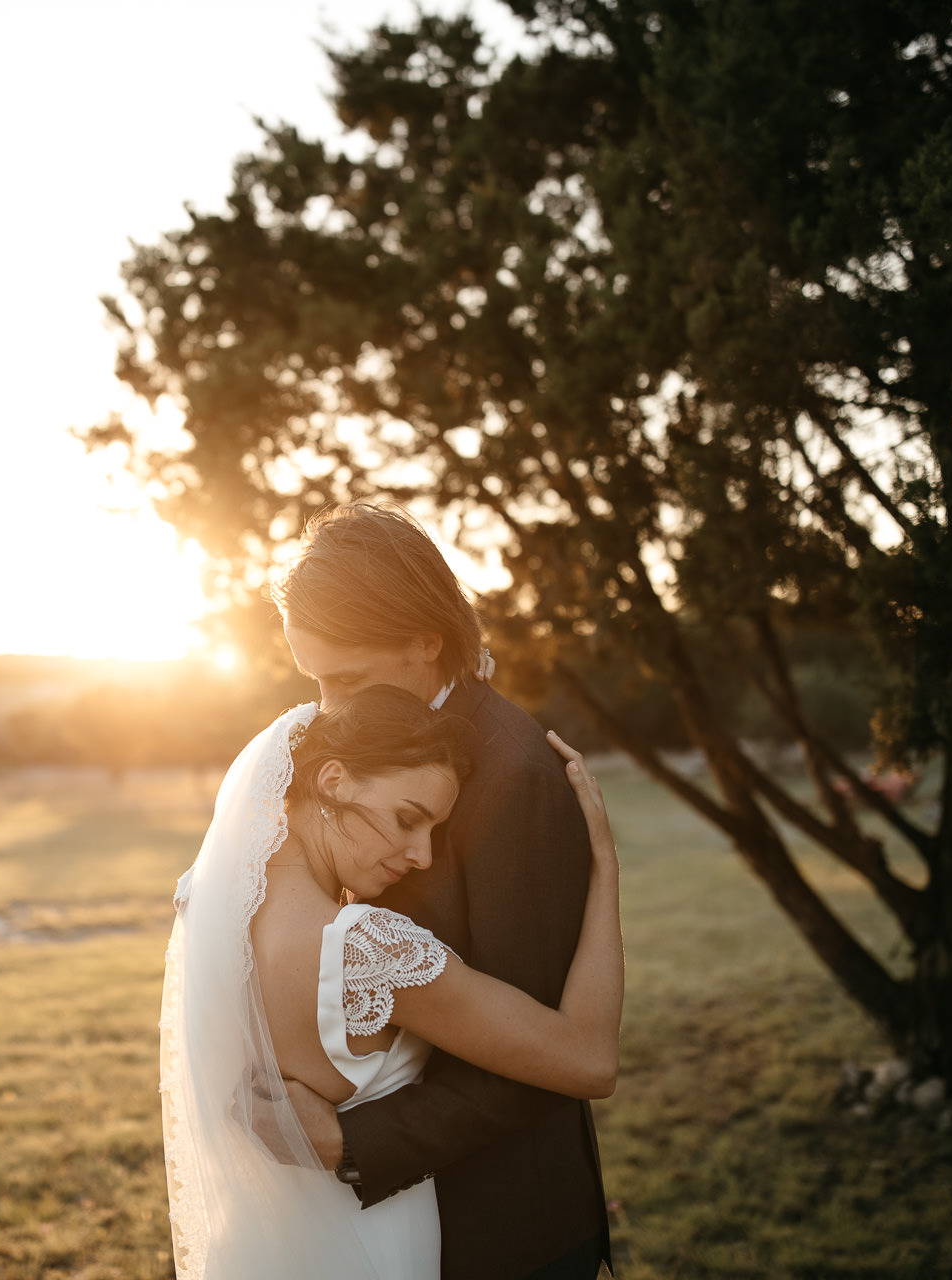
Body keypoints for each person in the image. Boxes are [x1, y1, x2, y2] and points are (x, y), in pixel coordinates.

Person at [159, 681, 620, 1279]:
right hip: (373, 1249)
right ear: (332, 781)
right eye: (408, 819)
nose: (422, 855)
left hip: (265, 1247)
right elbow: (590, 1061)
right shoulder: (366, 949)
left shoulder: (207, 898)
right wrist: (604, 865)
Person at [276, 502, 613, 1280]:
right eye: (315, 678)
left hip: (500, 1226)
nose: (326, 705)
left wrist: (351, 1144)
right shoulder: (364, 746)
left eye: (348, 678)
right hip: (396, 1226)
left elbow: (552, 1050)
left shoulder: (515, 775)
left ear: (426, 640)